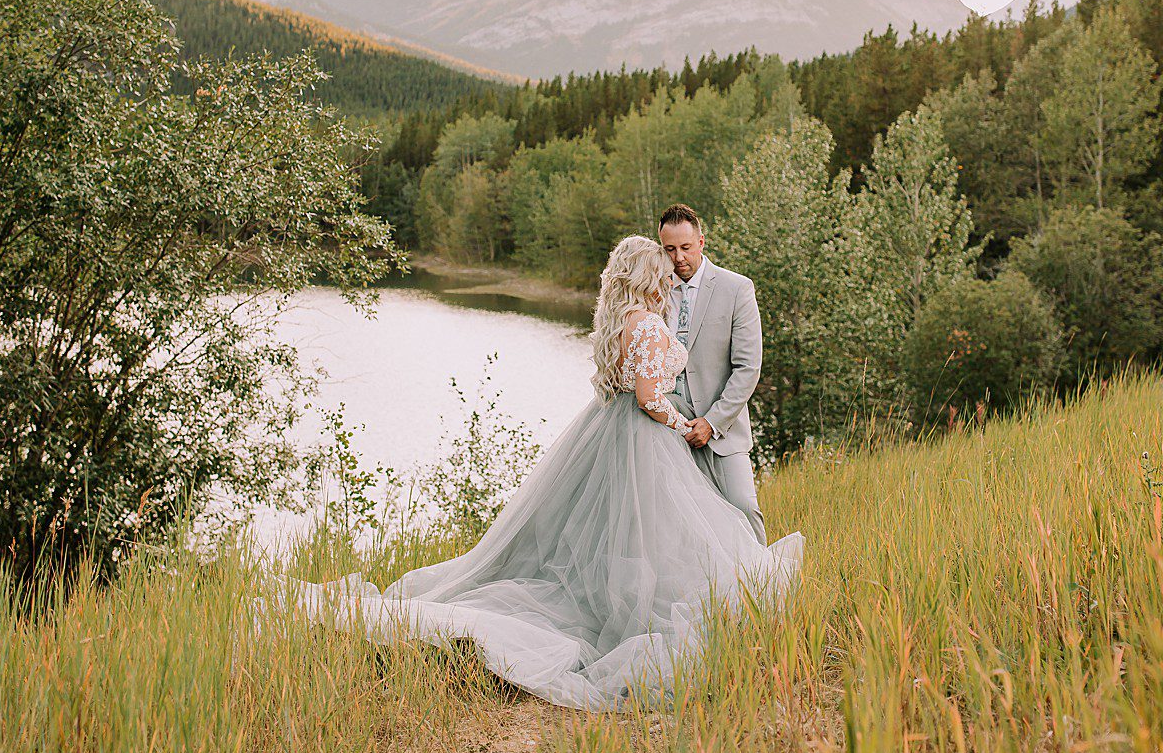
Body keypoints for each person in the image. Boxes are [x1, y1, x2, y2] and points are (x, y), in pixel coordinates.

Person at [262, 235, 802, 711]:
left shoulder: (616, 325)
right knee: (652, 529)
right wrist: (683, 423)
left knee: (614, 529)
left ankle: (618, 602)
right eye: (660, 270)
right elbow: (647, 399)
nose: (668, 275)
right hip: (644, 439)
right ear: (646, 277)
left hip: (605, 433)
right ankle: (632, 616)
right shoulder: (649, 328)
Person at [657, 203, 767, 542]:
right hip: (664, 430)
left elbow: (748, 368)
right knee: (677, 528)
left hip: (723, 428)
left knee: (743, 506)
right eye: (669, 249)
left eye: (686, 248)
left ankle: (765, 589)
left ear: (702, 242)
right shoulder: (653, 291)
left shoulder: (737, 288)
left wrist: (712, 422)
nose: (678, 258)